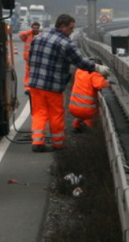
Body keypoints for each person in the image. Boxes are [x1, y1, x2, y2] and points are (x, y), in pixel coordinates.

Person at [26, 14, 108, 152]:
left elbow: (30, 58)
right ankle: (58, 143)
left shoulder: (38, 37)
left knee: (39, 113)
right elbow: (80, 62)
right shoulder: (65, 43)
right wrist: (97, 68)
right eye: (71, 28)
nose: (72, 31)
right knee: (55, 114)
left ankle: (37, 141)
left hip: (35, 85)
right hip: (53, 86)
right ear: (63, 27)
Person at [68, 59, 107, 132]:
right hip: (87, 110)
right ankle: (88, 127)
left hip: (73, 107)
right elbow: (100, 84)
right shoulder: (94, 74)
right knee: (95, 115)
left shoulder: (79, 71)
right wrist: (106, 80)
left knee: (82, 112)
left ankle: (76, 125)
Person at [19, 20, 41, 93]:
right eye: (33, 28)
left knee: (37, 72)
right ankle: (28, 88)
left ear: (38, 28)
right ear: (31, 28)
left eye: (36, 28)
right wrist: (30, 32)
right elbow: (21, 35)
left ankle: (36, 87)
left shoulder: (40, 36)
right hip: (28, 58)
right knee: (28, 73)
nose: (35, 29)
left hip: (37, 58)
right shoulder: (28, 35)